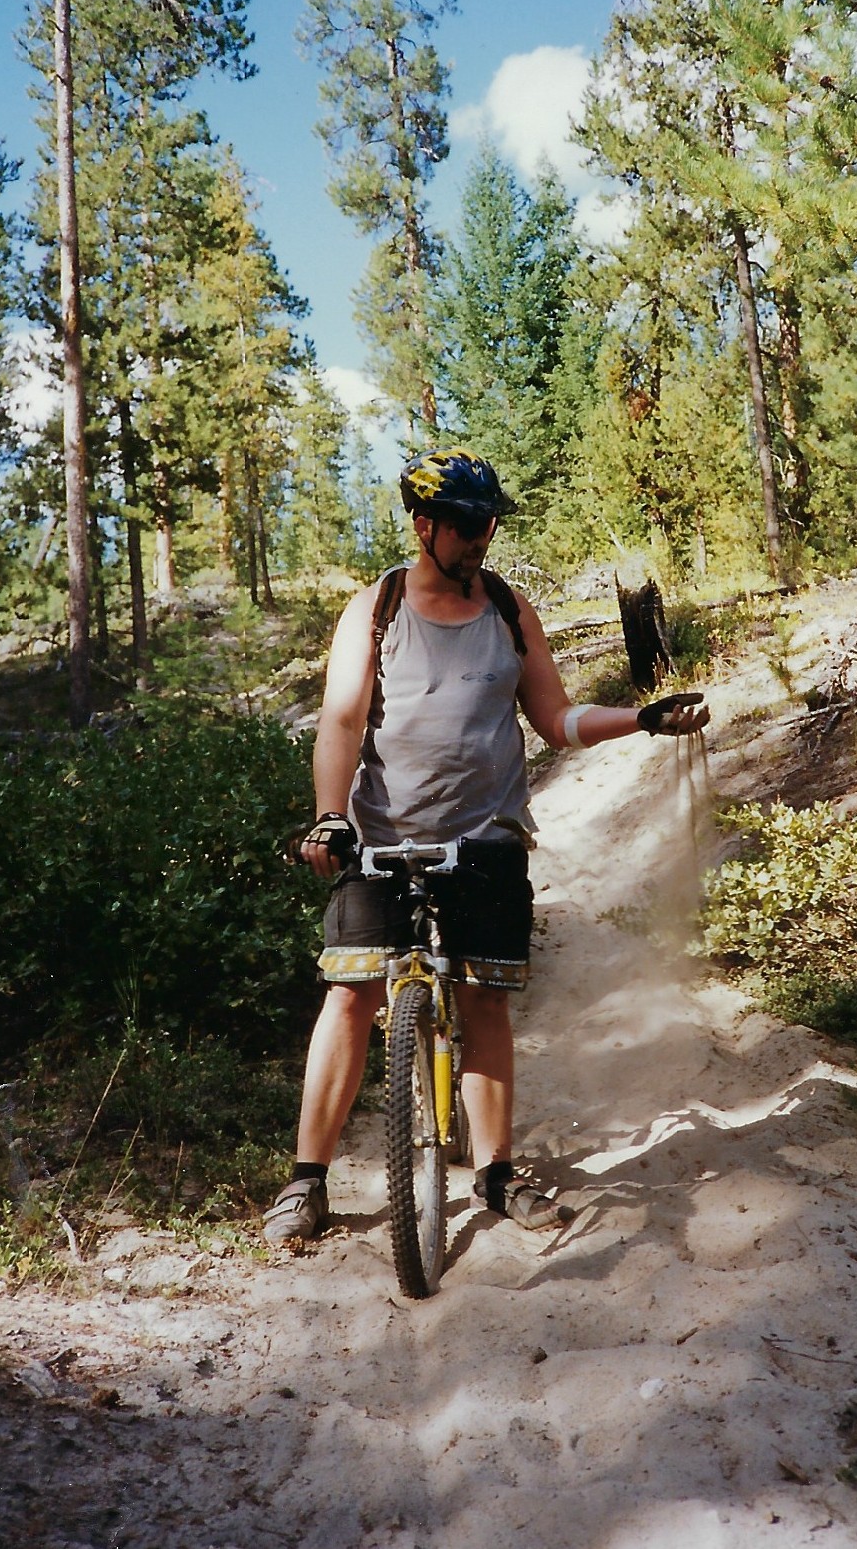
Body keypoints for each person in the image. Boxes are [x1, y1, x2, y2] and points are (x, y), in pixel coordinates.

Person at [263, 445, 710, 1245]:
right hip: (380, 839)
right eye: (467, 524)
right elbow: (341, 721)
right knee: (351, 994)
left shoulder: (507, 607)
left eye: (489, 523)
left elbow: (556, 719)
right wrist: (330, 817)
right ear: (423, 525)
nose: (481, 538)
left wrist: (640, 718)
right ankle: (307, 1180)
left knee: (484, 1000)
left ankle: (496, 1173)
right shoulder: (376, 607)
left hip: (486, 840)